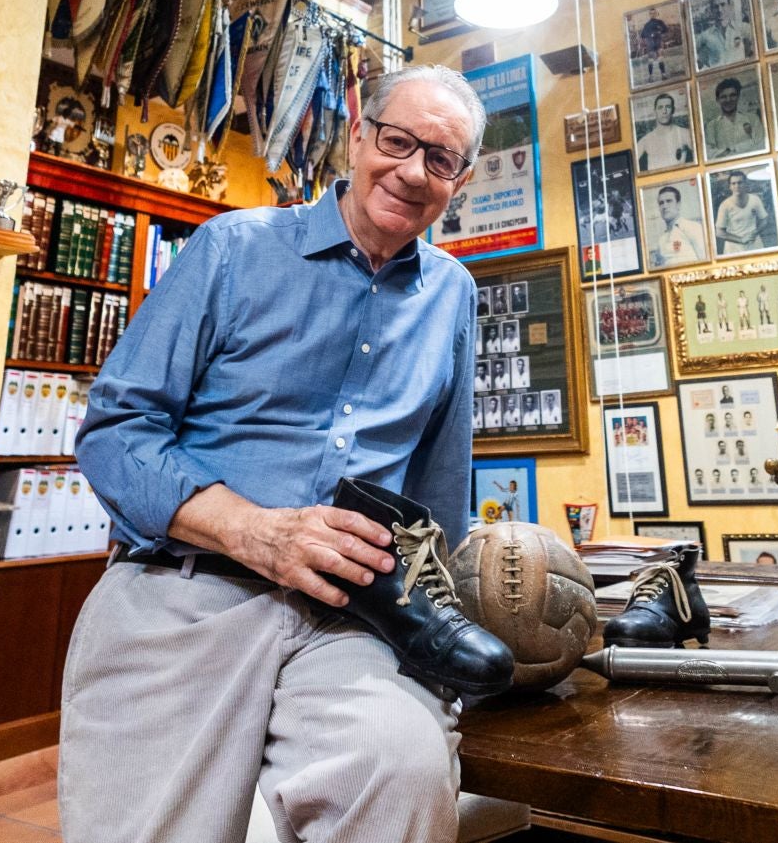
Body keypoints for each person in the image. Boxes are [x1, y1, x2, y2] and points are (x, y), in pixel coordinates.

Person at [65, 66, 501, 843]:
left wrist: (451, 618)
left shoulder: (453, 294)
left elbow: (440, 492)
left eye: (440, 159)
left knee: (401, 774)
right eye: (398, 141)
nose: (410, 171)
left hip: (349, 622)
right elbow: (115, 432)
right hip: (184, 592)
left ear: (459, 181)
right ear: (359, 132)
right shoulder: (232, 247)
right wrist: (253, 530)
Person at [646, 184, 706, 268]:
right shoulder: (661, 240)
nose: (664, 206)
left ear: (678, 204)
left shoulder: (692, 227)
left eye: (669, 201)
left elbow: (705, 259)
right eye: (661, 203)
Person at [702, 76, 761, 160]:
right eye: (723, 97)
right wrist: (747, 145)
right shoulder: (712, 126)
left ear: (738, 97)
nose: (728, 100)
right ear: (718, 100)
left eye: (732, 95)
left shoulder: (752, 119)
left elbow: (760, 144)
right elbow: (709, 153)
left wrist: (728, 151)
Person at [713, 171, 770, 254]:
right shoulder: (725, 205)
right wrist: (741, 239)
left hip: (754, 244)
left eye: (740, 183)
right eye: (733, 183)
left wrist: (755, 232)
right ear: (730, 186)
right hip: (734, 249)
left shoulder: (755, 199)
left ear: (745, 184)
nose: (737, 186)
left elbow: (764, 220)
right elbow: (719, 232)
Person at [635, 92, 695, 172]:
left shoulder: (685, 133)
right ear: (655, 111)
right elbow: (631, 162)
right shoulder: (646, 140)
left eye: (668, 107)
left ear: (673, 110)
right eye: (660, 107)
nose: (664, 111)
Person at [695, 0, 752, 69]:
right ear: (711, 10)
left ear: (729, 6)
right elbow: (692, 53)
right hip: (718, 77)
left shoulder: (742, 27)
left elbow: (757, 39)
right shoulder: (705, 35)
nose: (720, 10)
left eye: (723, 4)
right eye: (716, 7)